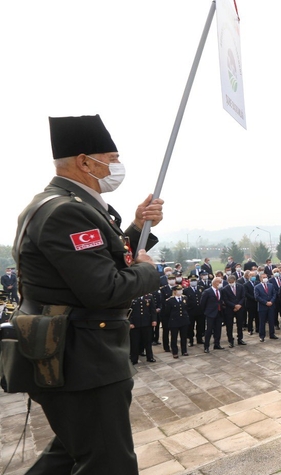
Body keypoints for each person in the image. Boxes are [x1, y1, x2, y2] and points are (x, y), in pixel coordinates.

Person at [6, 115, 164, 474]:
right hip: (83, 361)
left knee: (70, 453)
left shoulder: (60, 203)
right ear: (84, 162)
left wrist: (139, 228)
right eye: (112, 158)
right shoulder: (68, 212)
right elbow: (103, 287)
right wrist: (148, 271)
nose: (116, 167)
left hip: (73, 355)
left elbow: (97, 261)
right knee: (109, 462)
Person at [162, 285, 190, 358]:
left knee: (183, 337)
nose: (180, 291)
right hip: (174, 321)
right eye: (178, 290)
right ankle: (175, 351)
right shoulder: (170, 300)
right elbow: (167, 312)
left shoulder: (185, 298)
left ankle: (184, 350)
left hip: (184, 320)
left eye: (181, 290)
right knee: (174, 337)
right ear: (174, 291)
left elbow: (187, 308)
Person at [129, 293, 157, 364]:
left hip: (147, 323)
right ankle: (134, 359)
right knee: (135, 342)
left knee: (148, 341)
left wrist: (154, 320)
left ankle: (150, 357)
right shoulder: (132, 297)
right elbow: (129, 311)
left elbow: (153, 310)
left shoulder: (149, 297)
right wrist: (130, 322)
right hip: (135, 324)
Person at [200, 276, 225, 353]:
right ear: (215, 283)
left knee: (218, 329)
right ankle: (206, 346)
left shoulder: (220, 291)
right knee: (209, 330)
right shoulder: (207, 292)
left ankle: (217, 344)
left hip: (219, 313)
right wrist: (206, 312)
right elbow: (202, 303)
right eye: (219, 282)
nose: (221, 284)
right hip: (210, 314)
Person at [222, 274, 245, 347]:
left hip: (240, 308)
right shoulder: (225, 289)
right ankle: (230, 340)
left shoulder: (240, 287)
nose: (231, 283)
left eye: (232, 282)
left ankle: (240, 339)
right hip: (230, 309)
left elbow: (243, 297)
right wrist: (234, 306)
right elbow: (225, 300)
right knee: (229, 325)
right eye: (229, 282)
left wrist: (239, 305)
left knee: (240, 324)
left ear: (235, 281)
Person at [254, 273, 279, 342]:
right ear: (260, 279)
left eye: (266, 277)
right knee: (262, 322)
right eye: (263, 277)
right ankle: (262, 336)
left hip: (271, 306)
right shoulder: (257, 287)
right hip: (263, 307)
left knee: (271, 321)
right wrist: (265, 302)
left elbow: (274, 294)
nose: (265, 278)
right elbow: (257, 297)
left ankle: (272, 334)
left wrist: (271, 301)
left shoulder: (271, 285)